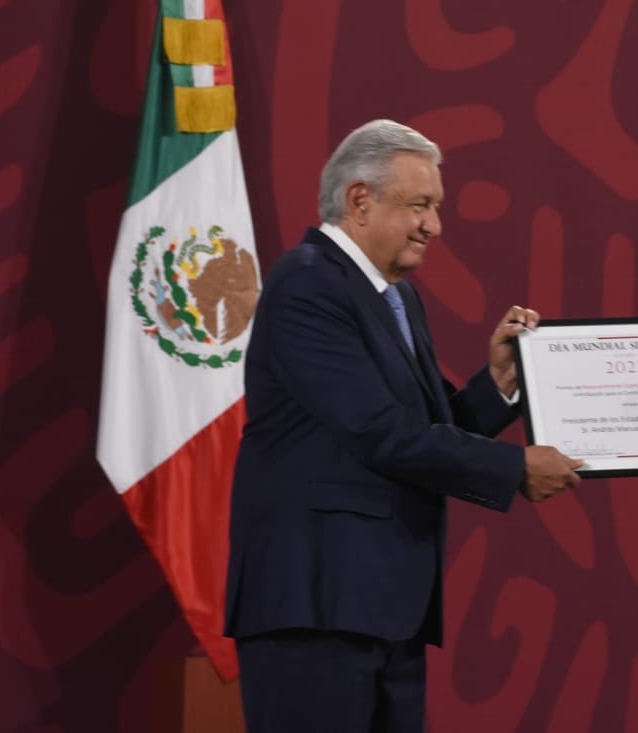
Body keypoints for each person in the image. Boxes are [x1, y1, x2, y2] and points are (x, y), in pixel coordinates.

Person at [224, 119, 583, 732]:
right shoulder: (307, 280)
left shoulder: (394, 296)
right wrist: (515, 468)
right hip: (317, 605)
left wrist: (499, 383)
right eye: (420, 205)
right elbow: (379, 433)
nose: (434, 225)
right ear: (360, 200)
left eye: (435, 208)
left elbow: (426, 425)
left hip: (384, 605)